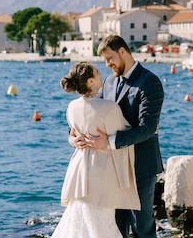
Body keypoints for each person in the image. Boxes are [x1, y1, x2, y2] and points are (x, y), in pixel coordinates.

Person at [71, 34, 164, 238]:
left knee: (142, 226)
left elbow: (148, 128)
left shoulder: (149, 82)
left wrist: (109, 142)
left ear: (123, 52)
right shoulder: (109, 82)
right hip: (112, 167)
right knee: (116, 226)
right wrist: (72, 138)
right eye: (104, 61)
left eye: (110, 58)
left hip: (140, 165)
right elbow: (92, 114)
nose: (108, 64)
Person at [54, 62, 140, 238]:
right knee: (101, 224)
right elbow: (123, 135)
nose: (102, 73)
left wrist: (72, 140)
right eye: (97, 72)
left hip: (79, 173)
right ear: (90, 82)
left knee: (81, 222)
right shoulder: (109, 108)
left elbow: (74, 133)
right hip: (102, 174)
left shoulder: (72, 107)